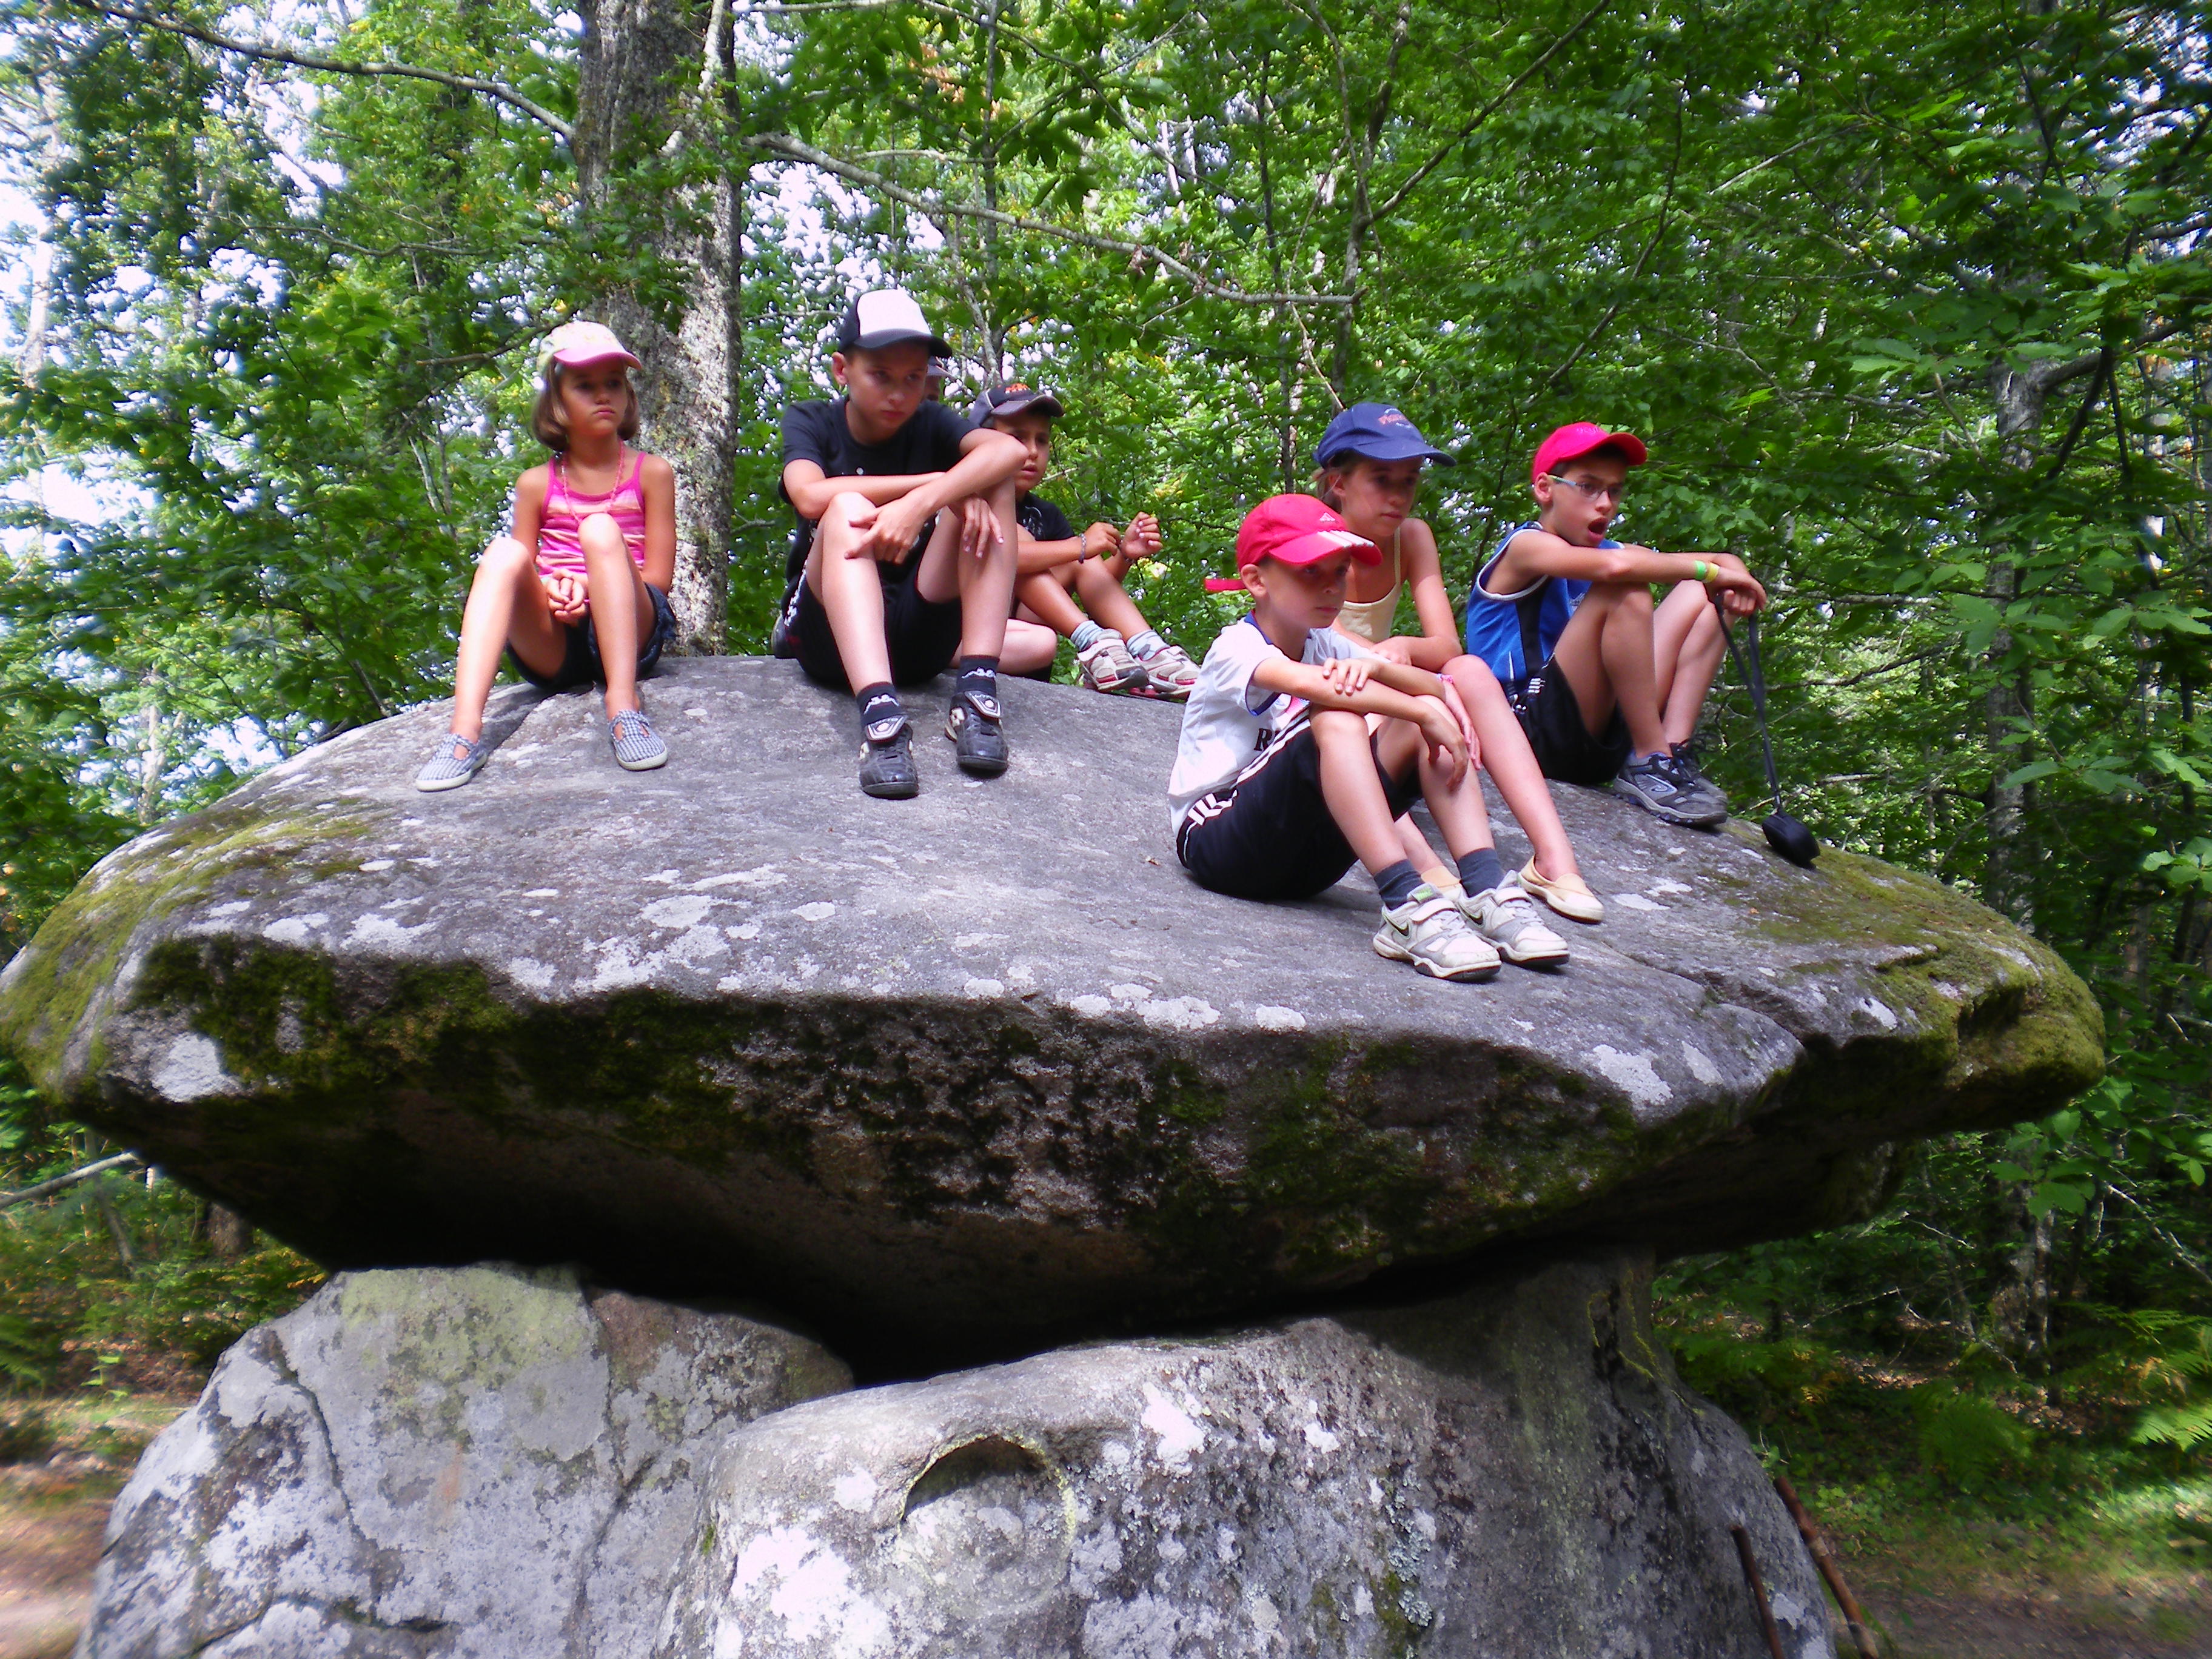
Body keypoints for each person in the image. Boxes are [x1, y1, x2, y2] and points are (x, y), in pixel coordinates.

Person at [1168, 495, 1565, 981]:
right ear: (1256, 581)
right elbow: (1319, 687)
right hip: (1223, 839)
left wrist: (1385, 670)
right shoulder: (1237, 647)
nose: (1332, 587)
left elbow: (1431, 683)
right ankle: (1404, 901)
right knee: (1340, 717)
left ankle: (1484, 890)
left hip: (1308, 863)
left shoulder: (1325, 642)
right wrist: (1419, 706)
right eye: (1310, 572)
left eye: (1339, 573)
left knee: (1420, 722)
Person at [1313, 403, 1603, 931]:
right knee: (1355, 715)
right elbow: (1317, 643)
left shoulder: (1412, 536)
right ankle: (1425, 872)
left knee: (1470, 669)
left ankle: (1553, 860)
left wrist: (1403, 645)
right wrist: (1394, 663)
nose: (1399, 495)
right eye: (1381, 479)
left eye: (1409, 480)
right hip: (1330, 698)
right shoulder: (1309, 538)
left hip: (1389, 692)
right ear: (1338, 483)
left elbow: (1445, 642)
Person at [779, 290, 1026, 799]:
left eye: (914, 378)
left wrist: (931, 501)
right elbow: (807, 495)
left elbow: (1009, 449)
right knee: (845, 505)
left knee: (993, 480)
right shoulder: (812, 420)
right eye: (881, 376)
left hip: (918, 637)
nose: (899, 393)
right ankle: (881, 720)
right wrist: (936, 487)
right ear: (842, 370)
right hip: (831, 641)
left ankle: (977, 694)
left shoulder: (931, 423)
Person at [1465, 422, 1769, 828]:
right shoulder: (1526, 547)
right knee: (1627, 590)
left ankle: (1669, 752)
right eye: (1588, 487)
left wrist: (1733, 578)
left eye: (1614, 490)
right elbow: (1618, 568)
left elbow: (1717, 562)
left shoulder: (1609, 551)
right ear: (1545, 489)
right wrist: (1712, 571)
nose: (1605, 503)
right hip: (1525, 735)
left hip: (1591, 731)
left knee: (1700, 591)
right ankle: (1649, 760)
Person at [416, 320, 676, 791]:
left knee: (600, 529)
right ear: (556, 401)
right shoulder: (536, 484)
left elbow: (658, 580)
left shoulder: (652, 473)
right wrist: (556, 588)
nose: (604, 396)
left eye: (614, 384)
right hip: (555, 640)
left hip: (626, 629)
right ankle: (463, 733)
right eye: (585, 386)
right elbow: (527, 571)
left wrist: (594, 587)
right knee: (502, 555)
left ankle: (623, 708)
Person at [969, 385, 1201, 699]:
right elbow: (1008, 555)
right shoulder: (965, 500)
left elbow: (1084, 581)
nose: (1032, 452)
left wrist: (1123, 557)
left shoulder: (1043, 513)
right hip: (972, 628)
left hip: (1022, 625)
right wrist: (1080, 545)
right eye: (1017, 438)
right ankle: (1092, 644)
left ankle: (1148, 650)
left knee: (1077, 558)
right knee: (1044, 548)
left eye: (1042, 440)